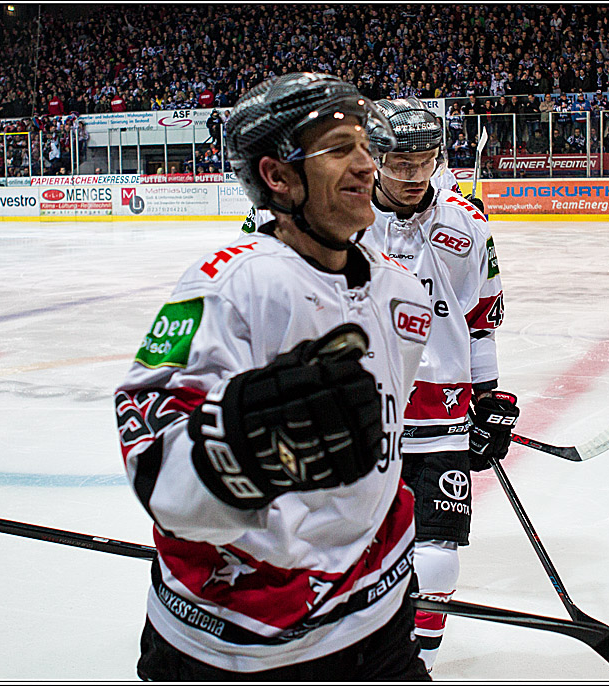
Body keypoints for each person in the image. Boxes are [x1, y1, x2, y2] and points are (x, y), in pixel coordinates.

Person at [115, 72, 433, 681]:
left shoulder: (401, 292)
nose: (369, 163)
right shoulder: (229, 284)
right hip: (240, 640)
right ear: (278, 177)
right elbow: (153, 462)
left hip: (379, 613)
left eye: (367, 145)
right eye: (340, 149)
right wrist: (239, 452)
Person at [360, 97, 518, 673]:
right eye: (398, 163)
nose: (409, 176)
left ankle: (413, 660)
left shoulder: (467, 224)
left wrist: (490, 396)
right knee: (358, 544)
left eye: (422, 161)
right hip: (359, 410)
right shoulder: (341, 217)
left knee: (438, 546)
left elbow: (480, 319)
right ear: (375, 158)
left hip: (442, 409)